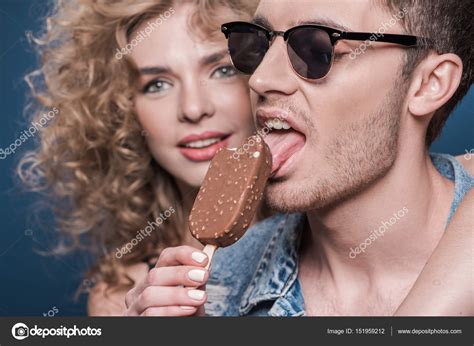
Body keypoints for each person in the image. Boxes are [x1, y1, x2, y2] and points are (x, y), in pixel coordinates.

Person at [124, 0, 473, 316]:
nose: (260, 79)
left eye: (316, 46)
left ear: (430, 83)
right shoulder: (213, 295)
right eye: (257, 42)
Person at [17, 0, 258, 316]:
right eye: (157, 84)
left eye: (222, 70)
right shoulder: (120, 296)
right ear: (123, 111)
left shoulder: (334, 247)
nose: (193, 108)